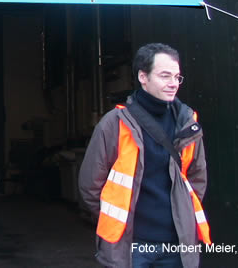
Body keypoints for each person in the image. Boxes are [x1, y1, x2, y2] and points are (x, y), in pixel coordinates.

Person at [79, 43, 211, 268]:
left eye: (177, 77)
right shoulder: (114, 124)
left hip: (177, 244)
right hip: (132, 245)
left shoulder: (187, 122)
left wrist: (185, 216)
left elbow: (197, 177)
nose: (173, 83)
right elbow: (90, 184)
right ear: (143, 77)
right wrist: (113, 223)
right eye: (165, 76)